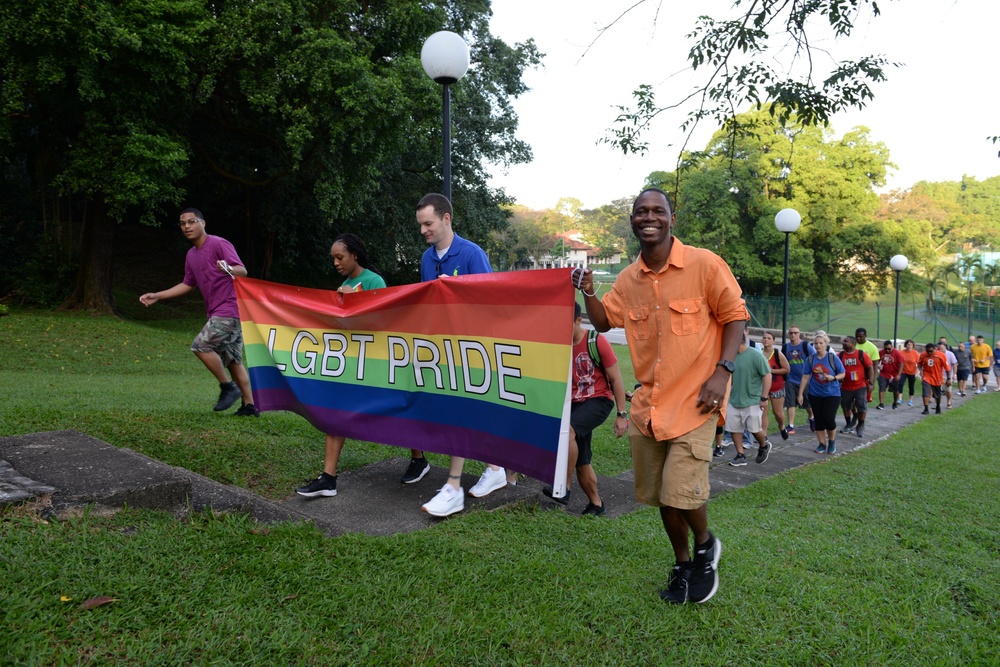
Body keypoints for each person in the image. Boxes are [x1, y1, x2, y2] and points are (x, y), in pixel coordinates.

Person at [573, 188, 747, 605]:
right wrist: (590, 293)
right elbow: (604, 320)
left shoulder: (704, 264)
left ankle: (705, 546)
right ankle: (683, 563)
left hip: (696, 400)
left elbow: (735, 316)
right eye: (640, 212)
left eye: (657, 211)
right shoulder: (628, 280)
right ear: (632, 221)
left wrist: (722, 373)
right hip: (648, 406)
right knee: (660, 499)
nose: (648, 217)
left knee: (678, 491)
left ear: (671, 218)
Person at [414, 194, 506, 517]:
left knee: (458, 412)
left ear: (446, 218)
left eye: (428, 223)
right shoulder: (427, 258)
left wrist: (459, 293)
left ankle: (453, 487)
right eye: (421, 225)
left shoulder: (471, 254)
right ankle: (495, 468)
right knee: (464, 413)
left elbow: (492, 301)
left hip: (472, 351)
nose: (424, 230)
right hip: (441, 349)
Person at [139, 208, 255, 416]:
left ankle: (228, 387)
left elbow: (242, 270)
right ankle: (250, 406)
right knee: (232, 360)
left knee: (200, 345)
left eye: (191, 221)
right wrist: (158, 295)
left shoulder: (219, 244)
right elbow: (187, 284)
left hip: (230, 308)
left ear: (203, 223)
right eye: (183, 223)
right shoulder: (191, 255)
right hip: (217, 311)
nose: (187, 226)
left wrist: (227, 267)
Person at [296, 234, 387, 498]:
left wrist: (354, 300)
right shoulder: (344, 283)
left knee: (397, 411)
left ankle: (418, 458)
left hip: (376, 363)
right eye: (333, 258)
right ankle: (328, 478)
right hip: (351, 363)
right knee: (336, 414)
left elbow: (383, 321)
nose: (336, 263)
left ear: (354, 255)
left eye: (340, 257)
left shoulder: (373, 280)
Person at [542, 303, 629, 515]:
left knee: (568, 432)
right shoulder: (559, 345)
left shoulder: (596, 341)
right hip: (574, 404)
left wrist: (621, 415)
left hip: (599, 401)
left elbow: (616, 380)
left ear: (579, 321)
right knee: (581, 459)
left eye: (566, 325)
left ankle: (564, 488)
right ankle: (596, 504)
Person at [726, 323, 773, 467]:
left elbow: (767, 375)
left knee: (754, 429)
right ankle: (740, 454)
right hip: (734, 399)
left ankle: (764, 445)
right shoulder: (731, 357)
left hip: (753, 399)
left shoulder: (755, 355)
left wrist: (764, 397)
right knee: (734, 428)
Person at [797, 333, 845, 455]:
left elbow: (842, 373)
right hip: (815, 393)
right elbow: (805, 376)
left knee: (829, 418)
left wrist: (833, 378)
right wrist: (800, 393)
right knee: (818, 420)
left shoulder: (832, 358)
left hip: (832, 393)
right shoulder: (810, 359)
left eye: (821, 343)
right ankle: (822, 443)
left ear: (826, 344)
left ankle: (832, 441)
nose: (818, 346)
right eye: (816, 343)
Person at [782, 326, 816, 435]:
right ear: (788, 334)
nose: (793, 335)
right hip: (791, 379)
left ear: (799, 334)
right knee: (790, 402)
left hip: (805, 379)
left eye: (795, 333)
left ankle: (812, 417)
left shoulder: (806, 346)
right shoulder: (785, 348)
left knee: (807, 403)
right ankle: (791, 425)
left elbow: (814, 358)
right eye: (791, 333)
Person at [838, 336, 873, 438]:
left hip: (860, 386)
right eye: (843, 341)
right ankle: (849, 424)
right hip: (845, 386)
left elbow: (870, 368)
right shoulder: (840, 356)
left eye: (846, 341)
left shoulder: (861, 354)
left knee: (861, 405)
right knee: (845, 406)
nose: (843, 343)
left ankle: (861, 425)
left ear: (853, 344)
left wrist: (871, 383)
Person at [760, 332, 790, 440]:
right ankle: (764, 435)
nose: (766, 340)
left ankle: (782, 426)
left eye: (769, 338)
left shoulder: (778, 354)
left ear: (773, 340)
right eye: (764, 338)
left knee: (777, 412)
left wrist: (772, 370)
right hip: (764, 389)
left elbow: (787, 369)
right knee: (763, 412)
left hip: (777, 387)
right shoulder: (759, 353)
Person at [917, 342, 949, 415]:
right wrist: (921, 371)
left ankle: (938, 406)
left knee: (937, 394)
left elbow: (947, 368)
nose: (929, 353)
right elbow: (919, 364)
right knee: (925, 392)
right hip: (926, 376)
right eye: (928, 351)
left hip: (937, 377)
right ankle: (926, 408)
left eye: (931, 351)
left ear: (935, 349)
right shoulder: (923, 355)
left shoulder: (941, 355)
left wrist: (949, 378)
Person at [854, 328, 880, 404]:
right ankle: (855, 414)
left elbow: (875, 366)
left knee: (862, 400)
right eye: (856, 336)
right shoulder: (852, 345)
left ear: (865, 336)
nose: (858, 338)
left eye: (861, 336)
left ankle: (860, 414)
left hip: (866, 378)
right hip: (853, 375)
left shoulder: (872, 348)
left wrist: (872, 382)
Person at [876, 340, 904, 410]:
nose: (887, 350)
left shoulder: (897, 353)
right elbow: (876, 361)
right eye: (886, 349)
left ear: (892, 346)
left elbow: (901, 363)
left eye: (889, 349)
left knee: (895, 390)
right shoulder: (881, 352)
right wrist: (878, 366)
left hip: (894, 375)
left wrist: (899, 374)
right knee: (882, 387)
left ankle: (895, 403)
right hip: (884, 373)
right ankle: (881, 403)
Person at [899, 339, 920, 406]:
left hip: (912, 372)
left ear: (913, 346)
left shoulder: (915, 353)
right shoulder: (902, 352)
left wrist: (918, 371)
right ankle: (900, 398)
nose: (909, 346)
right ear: (906, 345)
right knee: (900, 384)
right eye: (908, 345)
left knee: (911, 386)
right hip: (903, 371)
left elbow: (919, 363)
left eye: (911, 345)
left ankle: (910, 400)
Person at [938, 342, 958, 409]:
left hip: (947, 375)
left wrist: (954, 374)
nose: (940, 350)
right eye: (939, 349)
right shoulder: (936, 354)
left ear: (945, 348)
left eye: (942, 349)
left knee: (948, 390)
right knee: (937, 390)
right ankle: (937, 404)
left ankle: (949, 401)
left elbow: (954, 364)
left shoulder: (950, 354)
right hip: (938, 375)